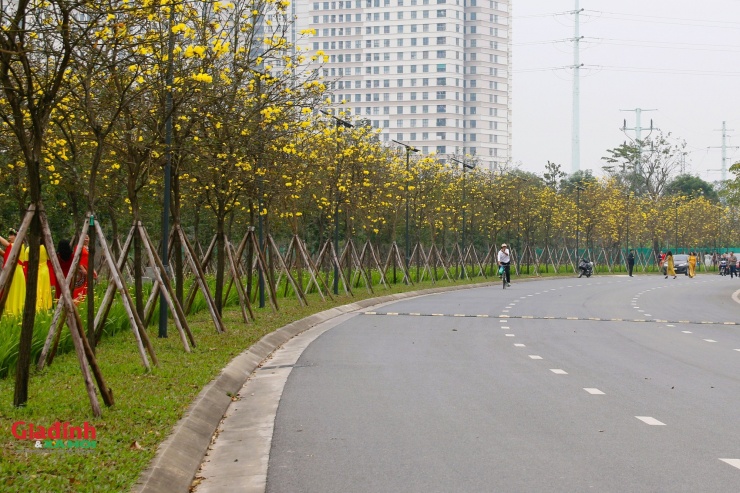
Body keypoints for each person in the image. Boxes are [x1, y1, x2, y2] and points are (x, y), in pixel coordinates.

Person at [0, 228, 26, 316]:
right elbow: (5, 255)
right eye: (9, 235)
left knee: (14, 292)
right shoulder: (14, 246)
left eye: (12, 235)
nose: (9, 237)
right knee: (10, 293)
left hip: (16, 273)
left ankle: (14, 314)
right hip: (13, 272)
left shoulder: (20, 246)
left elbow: (7, 244)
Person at [25, 242, 53, 311]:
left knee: (36, 287)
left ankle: (36, 306)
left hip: (33, 271)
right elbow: (49, 260)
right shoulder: (46, 248)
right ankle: (46, 305)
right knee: (45, 287)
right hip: (44, 270)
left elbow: (26, 263)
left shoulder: (28, 249)